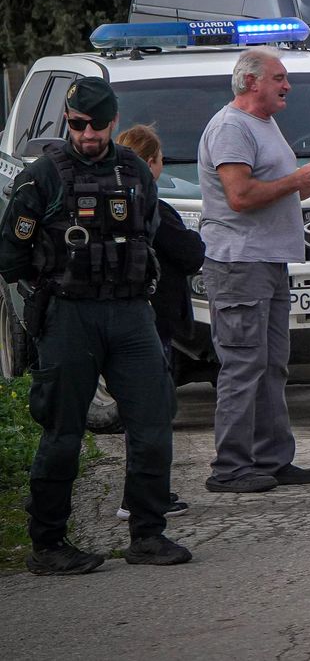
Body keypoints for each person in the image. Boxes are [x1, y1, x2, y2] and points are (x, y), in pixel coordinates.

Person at [0, 77, 191, 574]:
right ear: (67, 121)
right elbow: (11, 255)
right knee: (62, 431)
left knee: (152, 423)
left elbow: (147, 230)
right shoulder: (42, 176)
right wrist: (48, 288)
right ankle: (48, 544)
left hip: (129, 313)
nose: (88, 134)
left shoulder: (133, 171)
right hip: (69, 313)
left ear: (114, 122)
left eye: (98, 125)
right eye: (78, 124)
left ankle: (148, 534)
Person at [198, 48, 310, 493]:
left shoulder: (264, 124)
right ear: (251, 82)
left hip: (268, 261)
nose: (287, 85)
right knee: (243, 365)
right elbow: (241, 196)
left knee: (273, 365)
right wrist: (297, 179)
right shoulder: (231, 128)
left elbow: (281, 195)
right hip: (239, 264)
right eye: (279, 78)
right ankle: (230, 468)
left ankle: (272, 459)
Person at [115, 124, 206, 521]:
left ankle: (140, 495)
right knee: (154, 412)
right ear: (150, 162)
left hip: (120, 318)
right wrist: (195, 238)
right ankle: (145, 497)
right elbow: (189, 253)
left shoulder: (113, 202)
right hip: (152, 322)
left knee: (140, 411)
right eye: (160, 158)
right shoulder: (154, 207)